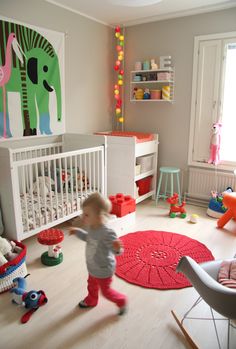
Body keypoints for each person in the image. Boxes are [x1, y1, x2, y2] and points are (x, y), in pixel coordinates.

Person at [69, 192, 127, 315]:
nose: (82, 217)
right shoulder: (92, 227)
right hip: (93, 267)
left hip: (103, 270)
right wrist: (77, 232)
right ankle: (92, 300)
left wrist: (117, 248)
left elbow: (117, 251)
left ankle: (121, 300)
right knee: (91, 285)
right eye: (83, 214)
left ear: (99, 217)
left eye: (86, 215)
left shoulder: (107, 233)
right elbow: (87, 238)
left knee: (106, 292)